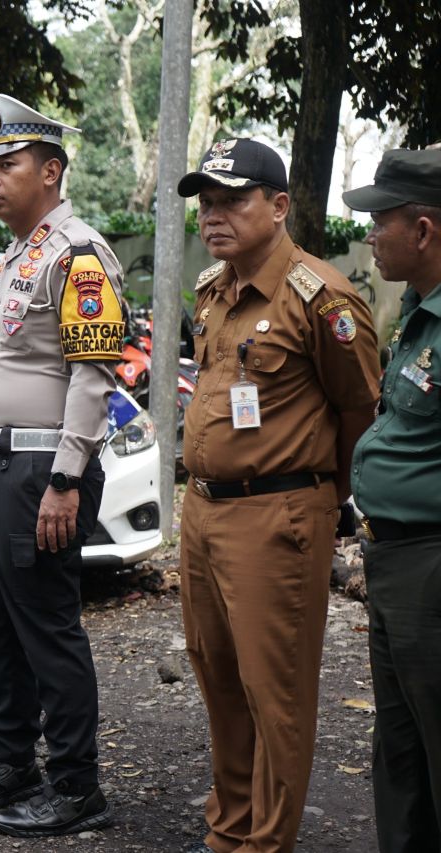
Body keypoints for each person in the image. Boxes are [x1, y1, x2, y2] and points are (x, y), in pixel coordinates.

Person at [176, 138, 380, 853]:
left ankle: (266, 843)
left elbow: (360, 411)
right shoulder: (213, 290)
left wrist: (328, 501)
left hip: (278, 514)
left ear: (280, 205)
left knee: (274, 694)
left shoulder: (321, 296)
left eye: (233, 200)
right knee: (218, 678)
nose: (215, 215)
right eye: (207, 203)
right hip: (202, 510)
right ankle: (227, 831)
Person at [0, 93, 124, 839]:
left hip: (42, 469)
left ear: (50, 171)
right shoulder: (23, 250)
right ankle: (13, 757)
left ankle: (77, 783)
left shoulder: (78, 252)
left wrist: (65, 478)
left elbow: (95, 373)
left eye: (7, 163)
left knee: (47, 626)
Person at [345, 148, 441, 853]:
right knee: (400, 751)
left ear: (426, 229)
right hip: (393, 561)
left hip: (430, 567)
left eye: (381, 220)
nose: (370, 234)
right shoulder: (414, 312)